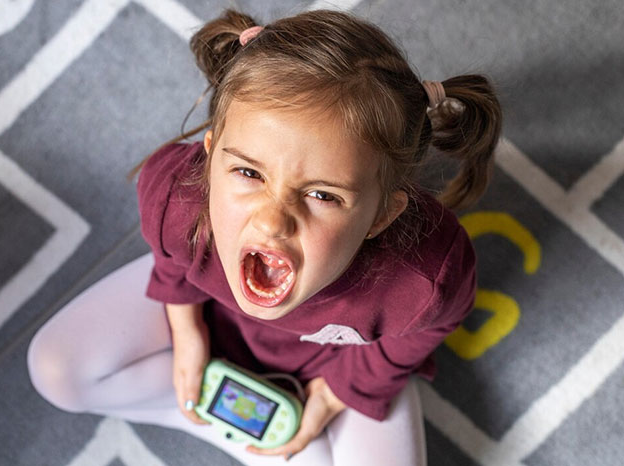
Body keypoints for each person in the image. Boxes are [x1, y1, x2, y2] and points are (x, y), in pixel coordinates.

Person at [26, 8, 501, 466]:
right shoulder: (177, 196)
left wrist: (346, 389)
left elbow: (432, 324)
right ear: (210, 160)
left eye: (321, 195)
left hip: (334, 362)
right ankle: (223, 426)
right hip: (212, 316)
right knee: (55, 371)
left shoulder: (422, 278)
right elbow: (170, 255)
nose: (274, 221)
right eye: (249, 172)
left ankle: (252, 427)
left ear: (380, 215)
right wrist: (186, 328)